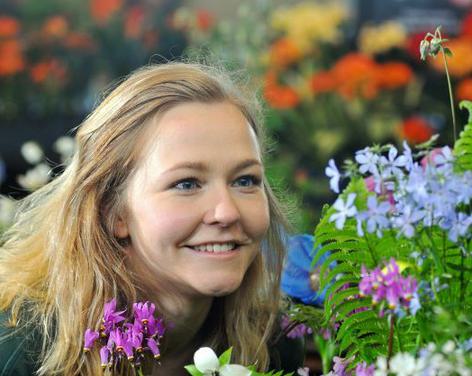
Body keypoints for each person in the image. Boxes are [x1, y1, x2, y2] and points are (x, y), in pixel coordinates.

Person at [0, 62, 304, 375]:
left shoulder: (273, 341)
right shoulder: (20, 351)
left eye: (245, 180)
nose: (227, 211)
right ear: (112, 212)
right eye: (186, 184)